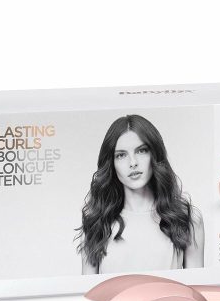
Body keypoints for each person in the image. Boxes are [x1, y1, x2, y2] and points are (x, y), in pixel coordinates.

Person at [78, 114, 204, 274]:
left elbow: (195, 286)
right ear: (112, 163)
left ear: (154, 154)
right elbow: (89, 288)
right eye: (121, 155)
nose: (133, 163)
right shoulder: (96, 223)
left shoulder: (187, 218)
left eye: (141, 151)